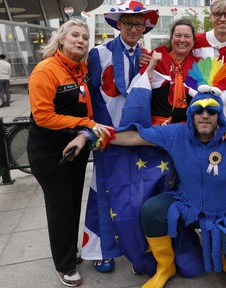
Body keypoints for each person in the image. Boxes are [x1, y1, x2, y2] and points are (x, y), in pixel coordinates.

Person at [64, 77, 226, 288]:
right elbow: (133, 137)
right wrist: (90, 136)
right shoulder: (177, 134)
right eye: (198, 110)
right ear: (191, 115)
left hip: (224, 215)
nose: (205, 116)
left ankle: (224, 250)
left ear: (219, 116)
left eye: (212, 111)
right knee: (152, 210)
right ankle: (165, 267)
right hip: (186, 208)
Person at [26, 19, 113, 287]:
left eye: (85, 37)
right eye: (75, 35)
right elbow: (43, 116)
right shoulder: (45, 70)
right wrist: (86, 125)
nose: (81, 40)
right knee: (61, 207)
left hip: (74, 146)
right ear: (61, 39)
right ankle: (63, 266)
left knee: (74, 202)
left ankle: (69, 251)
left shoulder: (82, 68)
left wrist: (83, 132)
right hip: (48, 151)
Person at [82, 0, 159, 274]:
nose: (134, 28)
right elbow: (88, 95)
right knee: (102, 191)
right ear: (119, 25)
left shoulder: (148, 57)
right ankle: (100, 250)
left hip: (135, 135)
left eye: (138, 24)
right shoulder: (98, 54)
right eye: (128, 23)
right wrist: (89, 128)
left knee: (135, 192)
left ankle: (136, 247)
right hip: (106, 135)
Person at [192, 0, 226, 127]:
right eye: (217, 14)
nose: (222, 19)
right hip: (205, 116)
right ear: (211, 17)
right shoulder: (197, 42)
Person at [148, 18, 200, 125]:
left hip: (187, 129)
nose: (182, 40)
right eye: (178, 36)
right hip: (157, 128)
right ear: (171, 39)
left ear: (193, 41)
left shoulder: (199, 67)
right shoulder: (156, 60)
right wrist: (149, 66)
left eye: (187, 36)